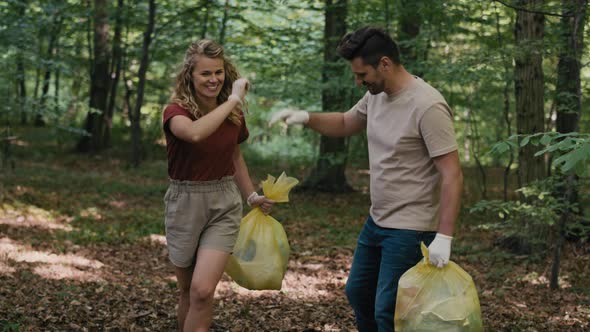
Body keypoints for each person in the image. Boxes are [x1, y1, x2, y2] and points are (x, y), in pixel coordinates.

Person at [270, 27, 463, 331]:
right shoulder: (377, 96)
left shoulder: (428, 105)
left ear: (385, 63)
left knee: (388, 310)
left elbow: (451, 173)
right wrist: (306, 117)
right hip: (377, 221)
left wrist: (445, 237)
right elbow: (347, 122)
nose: (358, 81)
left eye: (362, 74)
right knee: (358, 293)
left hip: (410, 229)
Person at [162, 39, 274, 332]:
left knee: (202, 290)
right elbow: (195, 135)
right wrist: (233, 100)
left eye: (218, 72)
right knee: (187, 290)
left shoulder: (232, 113)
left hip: (223, 203)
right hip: (185, 202)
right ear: (190, 75)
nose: (214, 79)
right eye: (205, 73)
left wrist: (250, 195)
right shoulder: (175, 112)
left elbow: (234, 154)